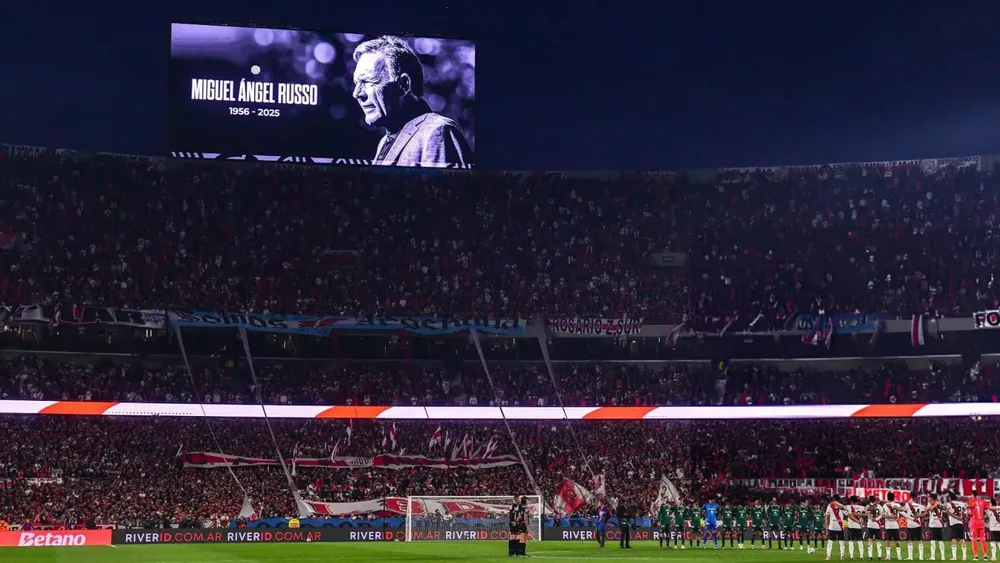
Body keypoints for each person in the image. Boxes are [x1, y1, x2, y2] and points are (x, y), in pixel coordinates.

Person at [351, 36, 474, 169]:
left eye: (367, 82)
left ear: (403, 85)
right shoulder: (385, 141)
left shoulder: (437, 132)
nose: (357, 93)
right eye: (356, 83)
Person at [881, 492, 903, 561]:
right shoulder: (896, 504)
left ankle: (888, 556)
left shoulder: (884, 505)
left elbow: (883, 515)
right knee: (896, 541)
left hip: (888, 525)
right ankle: (899, 556)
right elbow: (901, 510)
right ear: (893, 497)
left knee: (888, 541)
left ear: (887, 497)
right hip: (895, 525)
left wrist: (887, 516)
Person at [825, 494, 847, 561]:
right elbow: (846, 515)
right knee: (841, 542)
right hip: (840, 526)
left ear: (834, 499)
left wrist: (826, 526)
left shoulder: (830, 505)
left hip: (832, 526)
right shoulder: (842, 506)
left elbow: (827, 517)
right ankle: (842, 556)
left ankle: (828, 556)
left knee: (830, 542)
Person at [948, 492, 968, 561]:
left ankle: (954, 557)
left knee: (953, 539)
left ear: (950, 498)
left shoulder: (949, 504)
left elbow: (947, 512)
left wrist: (956, 517)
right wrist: (964, 519)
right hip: (960, 523)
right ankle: (964, 557)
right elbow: (965, 514)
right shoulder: (962, 504)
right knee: (962, 539)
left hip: (953, 523)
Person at [968, 494, 986, 561]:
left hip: (974, 523)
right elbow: (986, 515)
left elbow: (969, 514)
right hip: (981, 523)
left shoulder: (972, 505)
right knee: (982, 540)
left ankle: (976, 556)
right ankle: (985, 556)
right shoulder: (982, 504)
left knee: (974, 540)